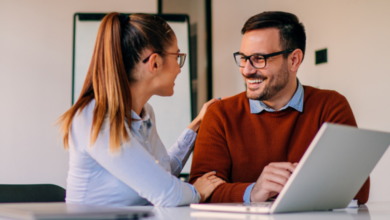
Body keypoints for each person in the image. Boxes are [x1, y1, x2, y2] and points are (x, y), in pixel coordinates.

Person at [189, 11, 369, 204]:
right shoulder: (220, 115)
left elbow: (358, 191)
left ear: (294, 60)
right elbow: (200, 192)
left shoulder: (331, 106)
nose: (247, 70)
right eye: (243, 58)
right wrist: (253, 191)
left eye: (259, 58)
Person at [57, 12, 224, 207]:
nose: (180, 68)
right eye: (177, 57)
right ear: (154, 63)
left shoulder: (145, 112)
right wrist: (198, 192)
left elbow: (161, 173)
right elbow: (168, 194)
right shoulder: (96, 116)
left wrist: (195, 126)